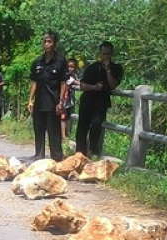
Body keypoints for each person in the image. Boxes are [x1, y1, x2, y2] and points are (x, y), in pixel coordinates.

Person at [75, 42, 123, 158]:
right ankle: (79, 154)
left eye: (108, 54)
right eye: (103, 54)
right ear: (100, 53)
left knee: (97, 126)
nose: (105, 56)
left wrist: (108, 70)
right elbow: (82, 85)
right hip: (87, 100)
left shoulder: (117, 68)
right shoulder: (92, 67)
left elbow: (113, 85)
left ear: (111, 54)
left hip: (101, 102)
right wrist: (94, 87)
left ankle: (93, 153)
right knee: (82, 127)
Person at [28, 31, 67, 162]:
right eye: (44, 41)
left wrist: (61, 102)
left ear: (54, 44)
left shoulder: (61, 61)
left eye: (49, 41)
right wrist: (30, 100)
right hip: (39, 102)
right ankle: (39, 155)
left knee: (53, 132)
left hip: (53, 102)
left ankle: (57, 158)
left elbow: (63, 82)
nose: (46, 44)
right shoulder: (37, 62)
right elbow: (34, 82)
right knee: (38, 130)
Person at [61, 58, 80, 139]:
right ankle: (63, 136)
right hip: (64, 99)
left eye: (72, 67)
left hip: (70, 99)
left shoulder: (74, 75)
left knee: (68, 116)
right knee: (63, 116)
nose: (70, 68)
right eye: (68, 66)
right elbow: (77, 82)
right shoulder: (66, 76)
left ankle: (68, 133)